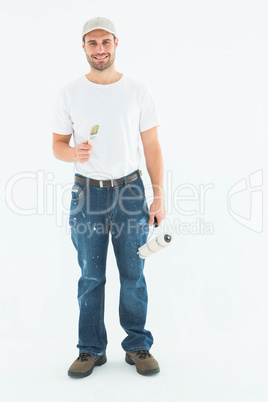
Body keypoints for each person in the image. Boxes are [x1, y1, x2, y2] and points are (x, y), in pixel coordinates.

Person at [52, 16, 166, 377]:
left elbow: (152, 147)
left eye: (105, 42)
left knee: (134, 273)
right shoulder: (69, 93)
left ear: (116, 44)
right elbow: (57, 146)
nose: (99, 50)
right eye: (92, 43)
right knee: (91, 276)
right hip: (87, 194)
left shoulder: (137, 91)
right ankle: (90, 350)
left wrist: (158, 195)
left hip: (131, 193)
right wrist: (74, 154)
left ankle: (137, 345)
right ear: (83, 47)